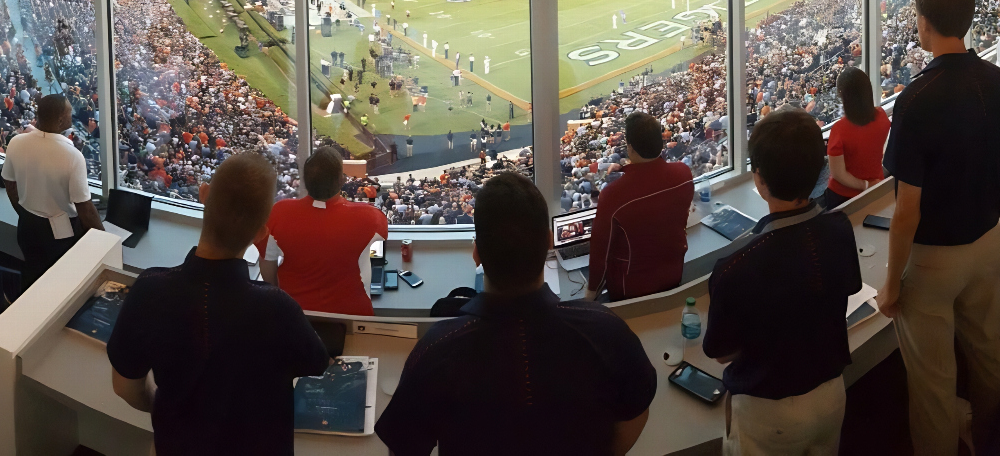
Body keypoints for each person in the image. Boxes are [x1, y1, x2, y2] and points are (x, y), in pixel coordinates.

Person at [376, 171, 655, 456]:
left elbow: (403, 449)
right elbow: (637, 412)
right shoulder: (608, 330)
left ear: (476, 254)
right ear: (549, 242)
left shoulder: (435, 350)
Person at [108, 151, 329, 455]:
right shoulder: (278, 308)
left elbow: (125, 388)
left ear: (203, 194)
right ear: (261, 232)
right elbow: (316, 362)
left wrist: (165, 411)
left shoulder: (149, 290)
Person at [879, 0, 1000, 455]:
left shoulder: (915, 99)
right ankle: (992, 435)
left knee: (934, 384)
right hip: (986, 241)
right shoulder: (997, 80)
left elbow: (906, 209)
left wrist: (893, 279)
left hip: (934, 260)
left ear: (925, 23)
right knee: (990, 352)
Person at [705, 107, 861, 455]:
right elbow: (844, 290)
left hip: (766, 415)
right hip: (832, 396)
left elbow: (721, 352)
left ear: (759, 180)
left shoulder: (735, 266)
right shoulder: (840, 229)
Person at [256, 145, 388, 315]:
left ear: (305, 180)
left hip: (294, 316)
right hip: (353, 318)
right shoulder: (371, 217)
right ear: (341, 180)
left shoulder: (278, 212)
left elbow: (267, 262)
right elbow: (379, 247)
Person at [586, 111, 694, 302]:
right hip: (674, 275)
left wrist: (591, 293)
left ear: (630, 149)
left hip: (629, 291)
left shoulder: (613, 195)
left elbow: (600, 252)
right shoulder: (684, 174)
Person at [1, 93, 104, 288]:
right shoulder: (72, 155)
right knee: (57, 284)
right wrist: (103, 239)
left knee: (32, 274)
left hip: (27, 227)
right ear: (60, 120)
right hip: (59, 236)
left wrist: (24, 212)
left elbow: (9, 184)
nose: (72, 115)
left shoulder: (16, 142)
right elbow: (85, 209)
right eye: (69, 113)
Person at [821, 66, 888, 210]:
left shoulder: (839, 130)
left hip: (843, 196)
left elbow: (838, 174)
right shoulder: (882, 116)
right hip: (877, 185)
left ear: (843, 95)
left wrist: (865, 185)